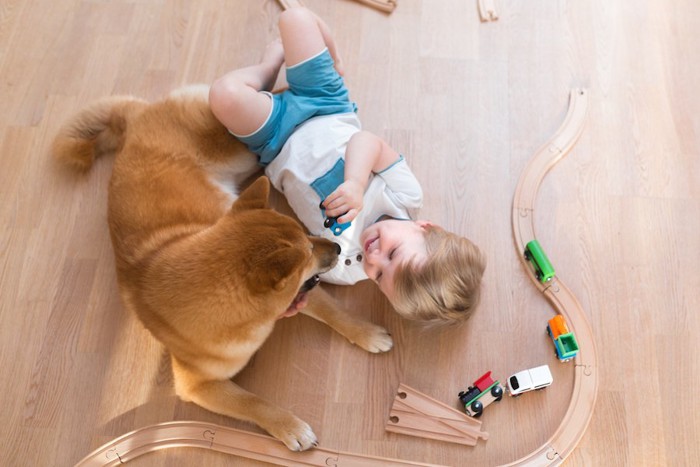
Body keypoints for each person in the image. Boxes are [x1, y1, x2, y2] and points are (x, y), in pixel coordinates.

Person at [209, 6, 485, 324]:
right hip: (326, 104)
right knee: (295, 18)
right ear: (425, 227)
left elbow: (298, 259)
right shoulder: (405, 196)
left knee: (224, 95)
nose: (374, 256)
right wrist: (355, 183)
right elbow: (367, 142)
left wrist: (286, 299)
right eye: (393, 254)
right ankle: (296, 64)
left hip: (276, 142)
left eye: (379, 276)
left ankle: (268, 69)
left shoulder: (344, 269)